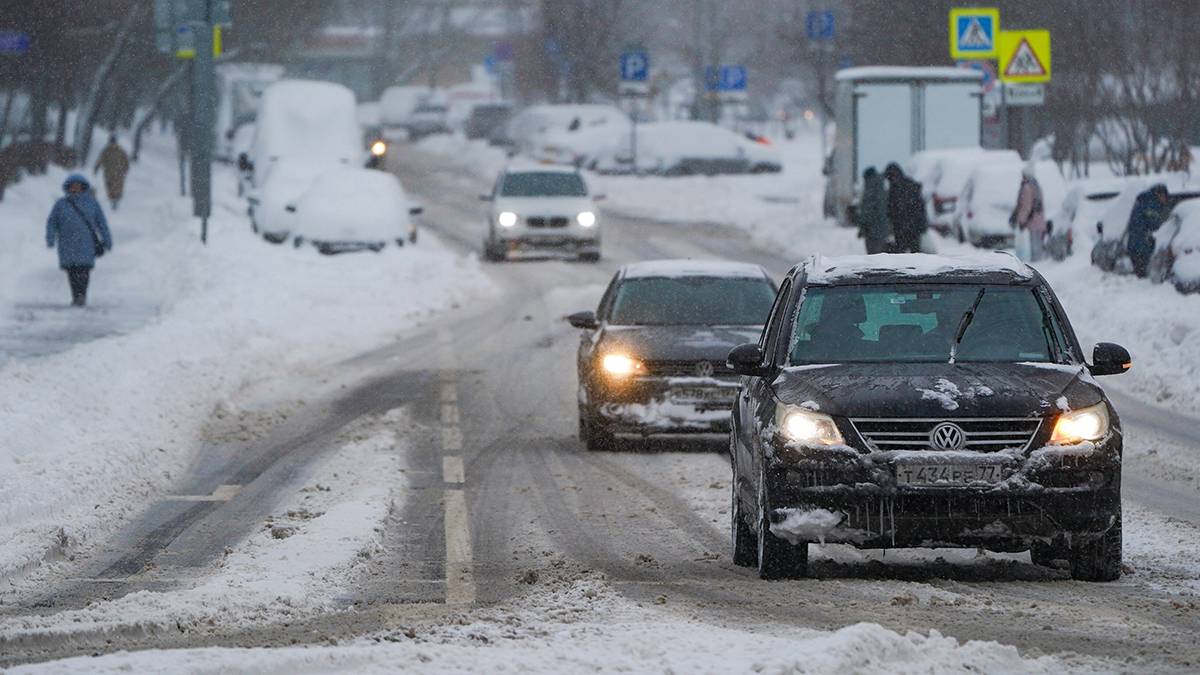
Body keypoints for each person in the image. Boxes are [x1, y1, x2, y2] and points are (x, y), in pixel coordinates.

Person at [46, 174, 112, 307]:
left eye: (78, 185)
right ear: (68, 187)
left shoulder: (92, 203)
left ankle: (81, 295)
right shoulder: (61, 204)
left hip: (86, 244)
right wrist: (50, 237)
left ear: (83, 187)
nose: (75, 188)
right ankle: (76, 296)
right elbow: (52, 222)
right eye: (72, 186)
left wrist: (107, 240)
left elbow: (101, 223)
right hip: (67, 244)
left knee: (83, 271)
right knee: (71, 272)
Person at [1126, 183, 1170, 278]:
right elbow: (1156, 225)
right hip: (1142, 246)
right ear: (1159, 194)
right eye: (1165, 196)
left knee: (1139, 276)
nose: (1165, 199)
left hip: (1135, 245)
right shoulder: (1151, 204)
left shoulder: (1144, 201)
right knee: (1142, 278)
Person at [883, 163, 927, 253]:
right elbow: (920, 207)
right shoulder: (910, 185)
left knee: (902, 255)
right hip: (913, 227)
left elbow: (892, 209)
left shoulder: (895, 189)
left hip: (903, 227)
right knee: (915, 254)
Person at [1012, 162, 1047, 262]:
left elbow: (1026, 206)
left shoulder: (1027, 187)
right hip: (1039, 221)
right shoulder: (1036, 185)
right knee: (1037, 247)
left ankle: (1035, 266)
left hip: (1031, 222)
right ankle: (1039, 263)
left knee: (1031, 248)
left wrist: (1021, 220)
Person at [856, 167, 893, 254]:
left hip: (872, 230)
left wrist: (863, 225)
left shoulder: (870, 188)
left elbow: (867, 210)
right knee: (880, 256)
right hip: (883, 229)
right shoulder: (881, 185)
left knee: (873, 258)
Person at [93, 135, 130, 211]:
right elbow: (100, 159)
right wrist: (96, 168)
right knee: (109, 187)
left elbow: (126, 161)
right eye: (111, 142)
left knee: (117, 187)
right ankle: (112, 200)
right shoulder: (106, 150)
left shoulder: (120, 151)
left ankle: (115, 201)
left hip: (118, 173)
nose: (112, 144)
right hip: (108, 173)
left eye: (113, 142)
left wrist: (125, 169)